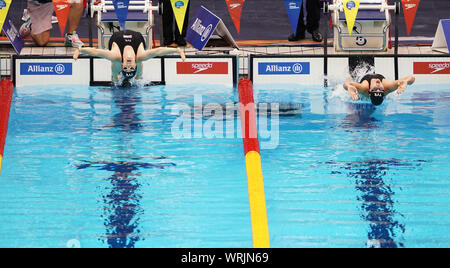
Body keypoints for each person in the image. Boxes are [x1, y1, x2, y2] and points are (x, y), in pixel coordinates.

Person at [73, 30, 186, 87]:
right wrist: (177, 50)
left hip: (116, 38)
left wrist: (80, 49)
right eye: (131, 68)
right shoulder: (139, 56)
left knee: (114, 65)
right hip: (137, 37)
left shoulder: (117, 56)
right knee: (140, 60)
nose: (128, 66)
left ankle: (117, 80)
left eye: (125, 68)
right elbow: (157, 51)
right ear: (134, 66)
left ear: (123, 65)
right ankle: (137, 77)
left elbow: (96, 52)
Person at [20, 0, 85, 47]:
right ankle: (31, 22)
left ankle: (70, 36)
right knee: (42, 41)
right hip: (41, 3)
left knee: (77, 1)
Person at [343, 74, 416, 106]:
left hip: (365, 79)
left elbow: (346, 84)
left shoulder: (364, 88)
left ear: (370, 90)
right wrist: (406, 81)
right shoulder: (387, 87)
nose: (378, 85)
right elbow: (412, 78)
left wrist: (348, 87)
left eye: (375, 89)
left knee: (350, 78)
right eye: (380, 89)